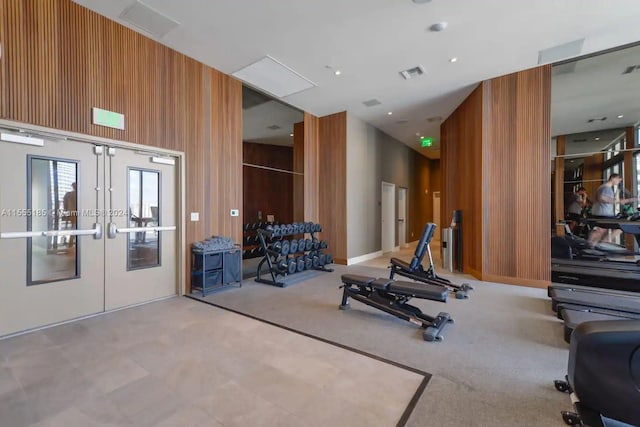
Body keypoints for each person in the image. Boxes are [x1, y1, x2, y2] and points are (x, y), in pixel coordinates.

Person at [588, 174, 637, 247]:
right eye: (619, 180)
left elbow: (614, 200)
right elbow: (602, 198)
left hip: (599, 214)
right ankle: (606, 241)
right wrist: (617, 201)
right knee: (623, 226)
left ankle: (595, 245)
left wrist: (620, 196)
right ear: (613, 178)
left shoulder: (602, 187)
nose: (619, 182)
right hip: (603, 216)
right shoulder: (606, 188)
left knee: (601, 231)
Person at [63, 182, 77, 247]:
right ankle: (71, 243)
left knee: (73, 227)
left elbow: (65, 205)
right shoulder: (77, 194)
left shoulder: (68, 194)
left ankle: (70, 243)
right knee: (74, 228)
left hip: (71, 214)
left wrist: (66, 210)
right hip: (76, 214)